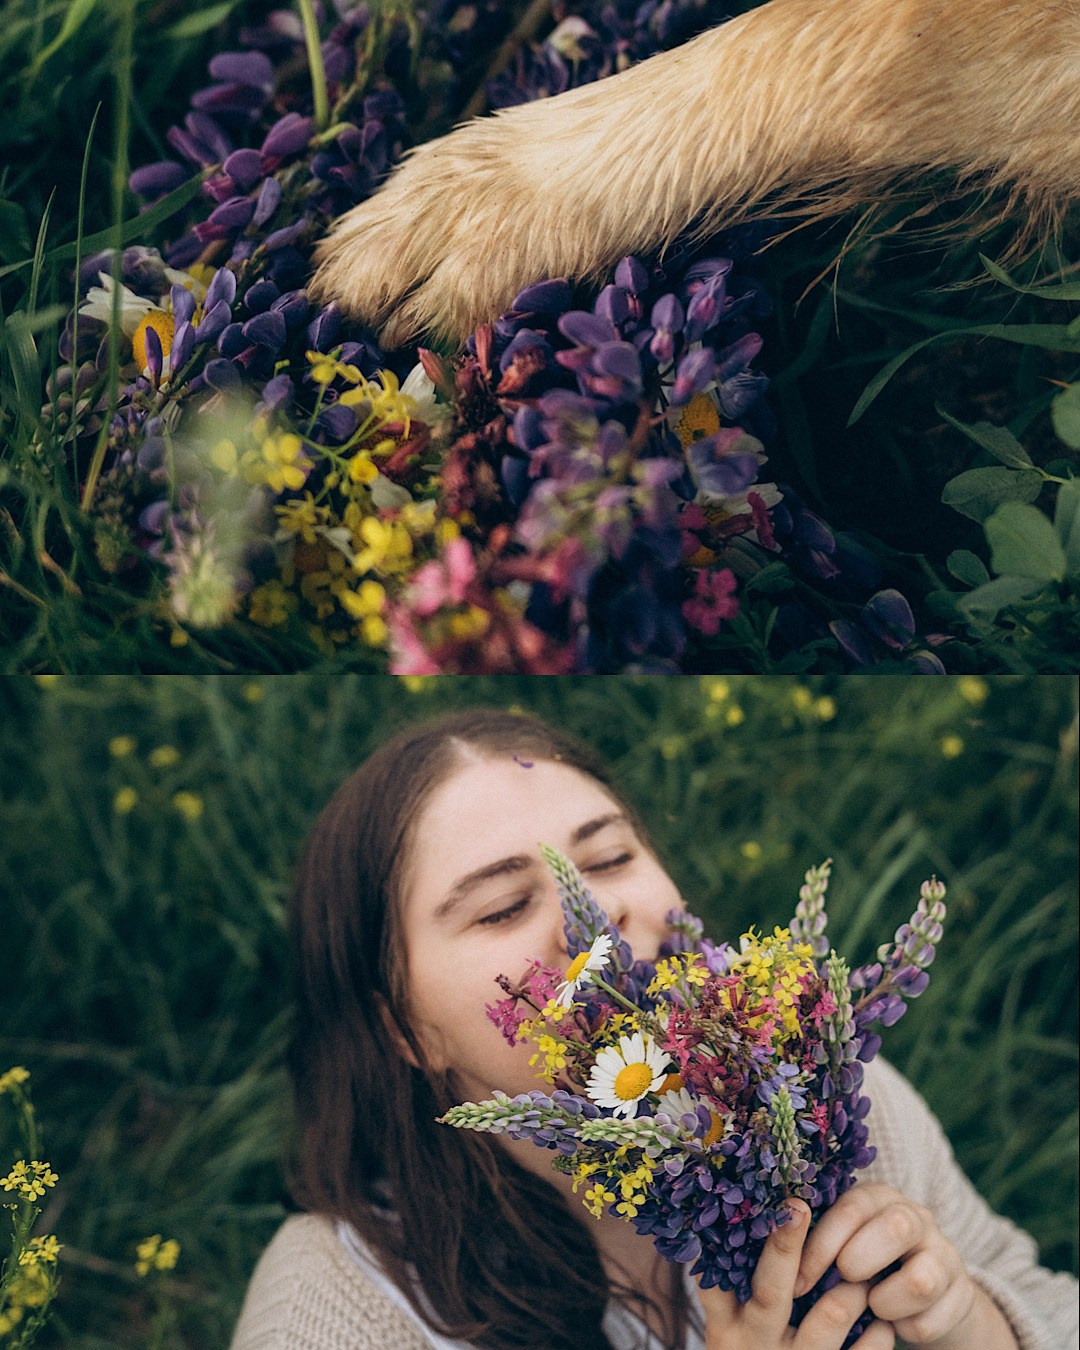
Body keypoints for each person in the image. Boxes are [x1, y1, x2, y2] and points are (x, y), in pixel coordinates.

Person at [230, 708, 1077, 1350]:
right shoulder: (336, 1303)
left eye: (607, 859)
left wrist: (966, 1322)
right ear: (408, 1032)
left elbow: (1046, 1303)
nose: (591, 916)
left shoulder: (824, 1105)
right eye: (501, 908)